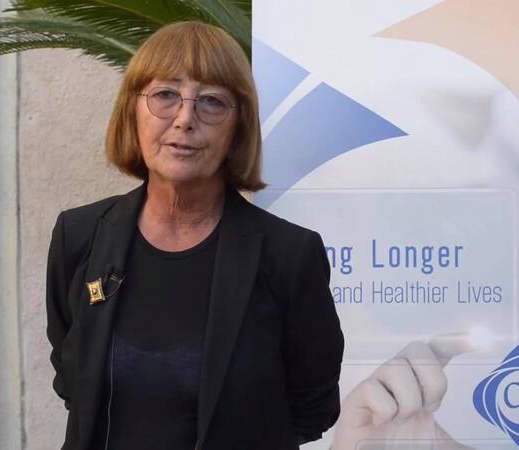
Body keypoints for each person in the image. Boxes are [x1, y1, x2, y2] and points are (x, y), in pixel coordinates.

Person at [45, 21, 344, 450]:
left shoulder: (288, 255)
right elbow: (73, 378)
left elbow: (313, 405)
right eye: (165, 95)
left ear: (238, 128)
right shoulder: (79, 236)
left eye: (212, 101)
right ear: (133, 110)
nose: (185, 119)